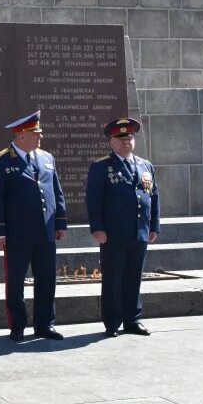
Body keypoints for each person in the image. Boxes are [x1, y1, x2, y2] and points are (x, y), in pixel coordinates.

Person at [0, 110, 67, 342]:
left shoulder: (47, 158)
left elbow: (56, 193)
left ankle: (44, 324)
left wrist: (60, 223)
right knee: (16, 281)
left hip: (45, 231)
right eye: (35, 133)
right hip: (17, 234)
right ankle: (18, 325)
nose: (40, 137)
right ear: (21, 135)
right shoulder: (0, 161)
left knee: (47, 279)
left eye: (39, 133)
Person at [86, 118, 160, 337]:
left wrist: (153, 226)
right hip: (113, 234)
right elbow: (94, 200)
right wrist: (97, 228)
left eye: (129, 138)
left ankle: (133, 320)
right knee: (113, 279)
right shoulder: (101, 167)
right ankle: (112, 322)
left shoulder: (145, 165)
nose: (126, 142)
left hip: (139, 232)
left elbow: (153, 197)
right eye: (121, 138)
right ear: (111, 141)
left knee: (134, 277)